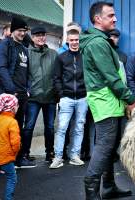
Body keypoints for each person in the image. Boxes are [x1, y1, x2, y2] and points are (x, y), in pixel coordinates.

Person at [79, 2, 135, 199]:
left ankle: (109, 186)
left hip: (112, 101)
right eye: (110, 15)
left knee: (111, 146)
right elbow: (110, 76)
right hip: (106, 101)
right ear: (98, 19)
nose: (115, 18)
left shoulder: (101, 40)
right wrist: (130, 99)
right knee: (104, 146)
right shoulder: (97, 43)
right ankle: (91, 191)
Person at [49, 26, 88, 169]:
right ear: (67, 40)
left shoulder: (85, 56)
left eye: (77, 40)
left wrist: (87, 92)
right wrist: (61, 94)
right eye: (71, 40)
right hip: (67, 98)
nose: (74, 42)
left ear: (80, 40)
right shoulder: (61, 58)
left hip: (83, 98)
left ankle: (74, 156)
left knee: (79, 128)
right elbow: (56, 78)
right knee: (62, 128)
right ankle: (58, 157)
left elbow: (89, 76)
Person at [20, 26, 58, 165]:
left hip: (50, 96)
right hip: (33, 97)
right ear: (33, 37)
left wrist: (56, 92)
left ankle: (50, 153)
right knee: (29, 126)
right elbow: (22, 74)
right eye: (37, 36)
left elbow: (57, 74)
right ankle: (25, 154)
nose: (41, 38)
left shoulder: (53, 54)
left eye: (43, 35)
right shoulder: (27, 53)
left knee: (50, 127)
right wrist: (27, 90)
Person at [0, 17, 31, 167]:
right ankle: (4, 161)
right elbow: (2, 68)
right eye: (19, 30)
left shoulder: (24, 49)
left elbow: (28, 72)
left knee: (17, 128)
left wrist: (28, 90)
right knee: (4, 130)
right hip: (9, 95)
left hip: (22, 95)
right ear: (12, 31)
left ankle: (16, 159)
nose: (22, 33)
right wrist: (11, 91)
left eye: (24, 31)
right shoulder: (5, 45)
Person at [0, 93, 20, 200]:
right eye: (17, 105)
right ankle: (8, 198)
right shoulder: (12, 122)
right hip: (6, 157)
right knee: (12, 178)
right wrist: (14, 153)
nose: (18, 107)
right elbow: (15, 143)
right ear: (11, 108)